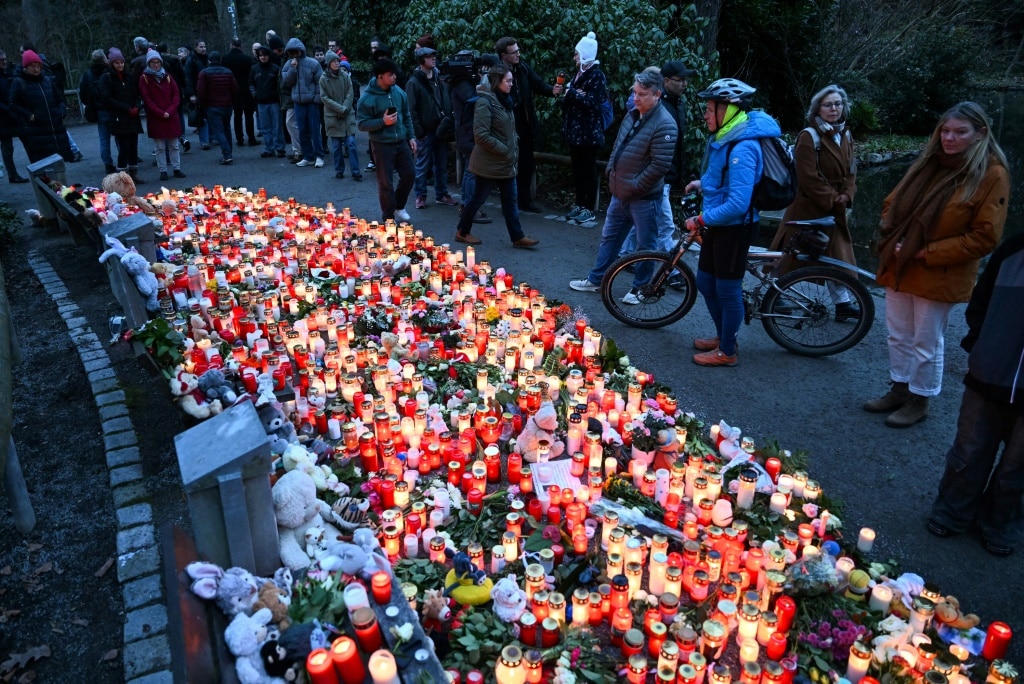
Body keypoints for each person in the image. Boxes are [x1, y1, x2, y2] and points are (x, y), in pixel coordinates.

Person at [865, 101, 1010, 427]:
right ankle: (899, 388)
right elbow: (891, 202)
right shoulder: (929, 163)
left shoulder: (991, 174)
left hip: (938, 270)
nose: (950, 138)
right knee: (898, 335)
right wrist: (895, 234)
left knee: (926, 341)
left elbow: (984, 238)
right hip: (900, 262)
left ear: (980, 134)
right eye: (945, 130)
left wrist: (925, 251)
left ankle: (920, 398)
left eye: (960, 132)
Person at [927, 230, 1023, 557]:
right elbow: (981, 297)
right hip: (991, 370)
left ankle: (1000, 522)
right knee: (969, 448)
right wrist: (980, 344)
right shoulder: (1015, 249)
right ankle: (953, 509)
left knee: (1018, 464)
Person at [683, 77, 781, 367]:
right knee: (705, 282)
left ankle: (727, 350)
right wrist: (703, 184)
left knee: (726, 289)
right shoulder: (727, 137)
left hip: (735, 228)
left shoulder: (742, 147)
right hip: (720, 225)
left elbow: (738, 203)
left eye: (711, 108)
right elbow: (726, 180)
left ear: (729, 109)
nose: (705, 114)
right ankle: (723, 336)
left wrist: (701, 217)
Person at [568, 69, 677, 293]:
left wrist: (635, 185)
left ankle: (641, 289)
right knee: (610, 238)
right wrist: (611, 170)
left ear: (657, 95)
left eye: (642, 94)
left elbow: (659, 165)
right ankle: (597, 279)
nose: (636, 98)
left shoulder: (665, 123)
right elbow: (618, 145)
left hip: (643, 197)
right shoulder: (633, 114)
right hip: (621, 192)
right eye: (635, 92)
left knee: (646, 246)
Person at [769, 84, 859, 318]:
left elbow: (851, 171)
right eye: (828, 104)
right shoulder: (809, 137)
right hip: (809, 207)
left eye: (838, 104)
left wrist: (847, 194)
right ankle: (774, 294)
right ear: (818, 108)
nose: (834, 108)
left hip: (835, 206)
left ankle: (842, 303)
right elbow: (808, 177)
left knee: (836, 256)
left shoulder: (845, 134)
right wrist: (833, 199)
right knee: (793, 253)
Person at [452, 63, 540, 249]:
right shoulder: (485, 102)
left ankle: (517, 236)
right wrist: (504, 149)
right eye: (507, 81)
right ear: (497, 82)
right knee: (477, 199)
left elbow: (506, 128)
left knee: (510, 201)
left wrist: (511, 145)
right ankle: (462, 231)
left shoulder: (504, 100)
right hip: (489, 163)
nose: (510, 84)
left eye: (511, 80)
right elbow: (481, 135)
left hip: (504, 162)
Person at [618, 60, 695, 264]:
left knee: (644, 223)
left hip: (664, 175)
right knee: (664, 225)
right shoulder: (657, 107)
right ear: (666, 81)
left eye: (686, 80)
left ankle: (624, 255)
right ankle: (672, 271)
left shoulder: (678, 104)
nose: (685, 84)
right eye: (681, 80)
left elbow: (676, 144)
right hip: (656, 177)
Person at [495, 36, 563, 211]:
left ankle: (524, 200)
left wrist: (552, 90)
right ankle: (509, 203)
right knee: (508, 165)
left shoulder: (522, 68)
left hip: (524, 123)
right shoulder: (497, 73)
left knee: (526, 163)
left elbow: (538, 84)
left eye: (518, 50)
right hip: (506, 125)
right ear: (504, 55)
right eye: (514, 52)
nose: (518, 54)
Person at [357, 58, 417, 222]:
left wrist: (411, 136)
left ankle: (398, 205)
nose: (395, 77)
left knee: (409, 174)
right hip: (382, 144)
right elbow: (361, 124)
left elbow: (406, 115)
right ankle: (388, 216)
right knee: (385, 183)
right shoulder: (367, 99)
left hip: (401, 141)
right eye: (391, 75)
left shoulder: (399, 92)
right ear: (380, 76)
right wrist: (383, 122)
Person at [560, 32, 607, 225]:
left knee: (588, 170)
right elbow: (572, 98)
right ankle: (580, 203)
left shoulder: (597, 76)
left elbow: (592, 102)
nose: (574, 58)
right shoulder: (579, 73)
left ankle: (589, 207)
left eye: (577, 54)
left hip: (588, 132)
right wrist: (573, 93)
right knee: (577, 170)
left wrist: (572, 92)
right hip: (575, 131)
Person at [407, 46, 458, 209]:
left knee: (441, 164)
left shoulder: (439, 79)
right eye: (429, 56)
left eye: (434, 56)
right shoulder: (414, 82)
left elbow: (446, 100)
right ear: (421, 60)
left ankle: (441, 194)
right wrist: (419, 131)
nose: (434, 58)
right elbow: (411, 109)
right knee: (422, 164)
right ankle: (420, 196)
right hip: (426, 130)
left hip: (440, 128)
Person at [450, 51, 494, 226]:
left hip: (469, 129)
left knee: (472, 169)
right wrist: (484, 82)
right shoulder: (462, 83)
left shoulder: (464, 81)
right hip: (467, 131)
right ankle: (468, 207)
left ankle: (469, 206)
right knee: (471, 170)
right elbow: (473, 99)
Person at [9, 48, 73, 164]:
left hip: (55, 127)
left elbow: (59, 98)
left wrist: (61, 111)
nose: (36, 69)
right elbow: (13, 103)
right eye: (32, 66)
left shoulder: (48, 81)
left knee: (59, 164)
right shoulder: (19, 82)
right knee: (44, 166)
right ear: (26, 67)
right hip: (36, 130)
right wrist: (29, 115)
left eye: (38, 66)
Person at [137, 50, 185, 181]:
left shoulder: (168, 76)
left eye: (158, 62)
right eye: (153, 62)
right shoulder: (144, 78)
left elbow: (176, 95)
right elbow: (147, 98)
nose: (156, 65)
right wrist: (160, 112)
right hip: (156, 116)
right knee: (160, 147)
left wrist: (170, 110)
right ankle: (163, 170)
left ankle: (177, 167)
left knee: (174, 144)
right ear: (149, 63)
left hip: (170, 114)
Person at [96, 48, 143, 179]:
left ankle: (133, 174)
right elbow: (107, 99)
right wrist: (126, 108)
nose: (120, 65)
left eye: (121, 62)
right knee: (124, 148)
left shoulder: (129, 77)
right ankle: (122, 177)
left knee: (133, 147)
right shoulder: (107, 78)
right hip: (119, 117)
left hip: (132, 116)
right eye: (117, 63)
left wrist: (137, 107)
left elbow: (136, 94)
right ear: (112, 64)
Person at [281, 38, 324, 168]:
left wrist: (317, 98)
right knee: (302, 130)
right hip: (298, 102)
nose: (294, 54)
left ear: (301, 50)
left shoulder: (312, 63)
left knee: (315, 129)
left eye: (296, 51)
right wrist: (293, 69)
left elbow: (320, 82)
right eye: (291, 52)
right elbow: (287, 82)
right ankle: (308, 156)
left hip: (311, 102)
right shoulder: (288, 64)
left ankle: (319, 156)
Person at [319, 51, 360, 180]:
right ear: (329, 63)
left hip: (347, 114)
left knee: (351, 144)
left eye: (338, 61)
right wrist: (339, 109)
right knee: (336, 147)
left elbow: (350, 93)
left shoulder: (345, 76)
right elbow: (324, 98)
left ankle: (356, 171)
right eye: (334, 61)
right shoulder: (323, 79)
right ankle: (339, 170)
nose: (337, 63)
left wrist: (344, 108)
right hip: (333, 116)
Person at [196, 51, 238, 165]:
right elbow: (234, 88)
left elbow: (200, 91)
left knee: (219, 131)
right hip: (227, 105)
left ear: (209, 60)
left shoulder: (204, 73)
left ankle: (227, 154)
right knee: (227, 128)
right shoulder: (228, 72)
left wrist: (202, 104)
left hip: (212, 106)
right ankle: (229, 152)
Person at [250, 46, 285, 158]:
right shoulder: (254, 69)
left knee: (277, 126)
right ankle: (268, 148)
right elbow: (250, 83)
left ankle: (280, 148)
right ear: (258, 57)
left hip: (274, 102)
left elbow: (281, 84)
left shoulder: (275, 69)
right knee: (265, 127)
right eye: (261, 55)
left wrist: (278, 96)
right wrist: (255, 94)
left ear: (268, 56)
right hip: (261, 102)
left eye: (265, 55)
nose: (263, 57)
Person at [222, 37, 257, 147]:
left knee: (237, 115)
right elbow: (252, 75)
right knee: (249, 115)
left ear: (231, 45)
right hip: (246, 90)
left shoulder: (225, 59)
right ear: (241, 46)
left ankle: (239, 139)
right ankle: (251, 138)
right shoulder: (247, 59)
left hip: (233, 90)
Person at [0, 51, 29, 182]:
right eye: (1, 60)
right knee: (7, 149)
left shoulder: (10, 73)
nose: (4, 62)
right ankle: (12, 174)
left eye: (5, 59)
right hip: (4, 117)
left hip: (15, 113)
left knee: (29, 141)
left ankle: (38, 168)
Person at [184, 39, 210, 149]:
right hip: (197, 91)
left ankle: (211, 137)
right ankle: (204, 140)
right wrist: (191, 94)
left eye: (204, 46)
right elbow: (188, 78)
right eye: (201, 47)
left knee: (210, 115)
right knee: (201, 117)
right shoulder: (191, 60)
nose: (203, 49)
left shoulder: (207, 59)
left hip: (208, 91)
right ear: (195, 48)